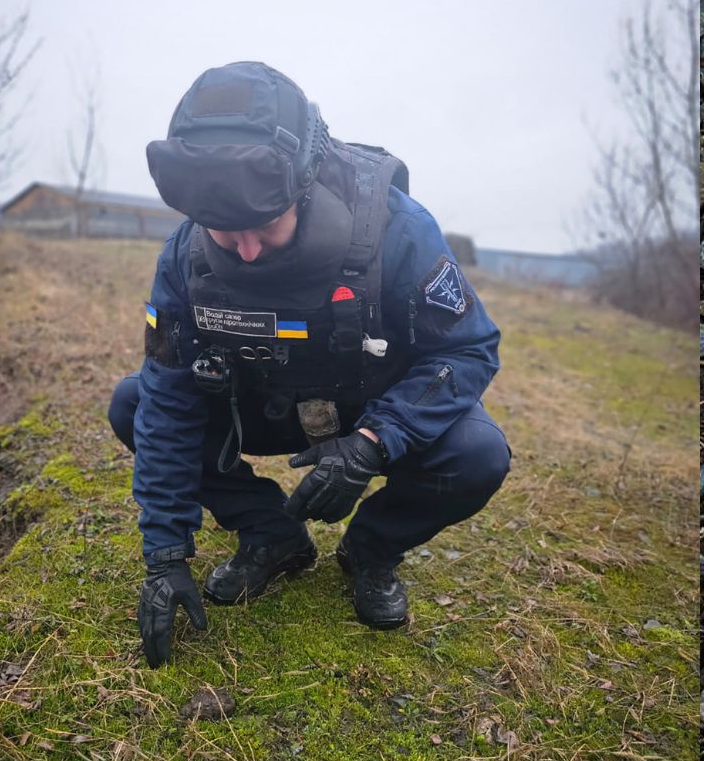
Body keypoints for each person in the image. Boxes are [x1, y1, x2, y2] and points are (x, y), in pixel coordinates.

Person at [111, 62, 511, 668]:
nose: (244, 250)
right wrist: (164, 555)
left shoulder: (399, 230)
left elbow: (467, 348)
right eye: (223, 231)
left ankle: (372, 550)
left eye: (263, 227)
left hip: (366, 408)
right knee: (133, 402)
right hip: (258, 407)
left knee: (477, 453)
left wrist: (375, 442)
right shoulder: (184, 256)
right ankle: (271, 534)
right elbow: (168, 400)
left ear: (305, 184)